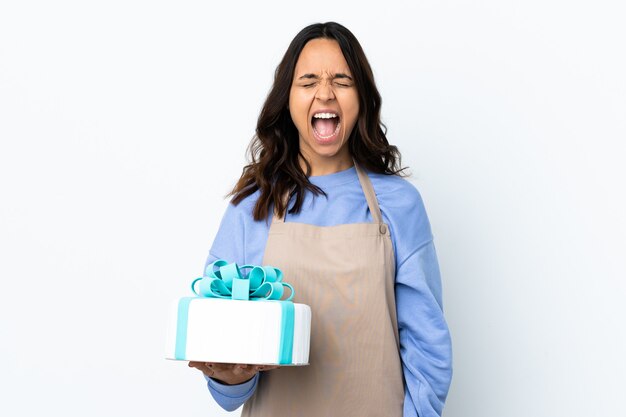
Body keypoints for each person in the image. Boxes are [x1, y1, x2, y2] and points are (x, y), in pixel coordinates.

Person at [188, 22, 452, 417]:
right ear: (288, 99)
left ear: (361, 97)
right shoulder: (252, 206)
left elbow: (428, 347)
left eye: (342, 81)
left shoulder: (399, 204)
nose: (325, 93)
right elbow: (228, 390)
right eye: (308, 80)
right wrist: (229, 375)